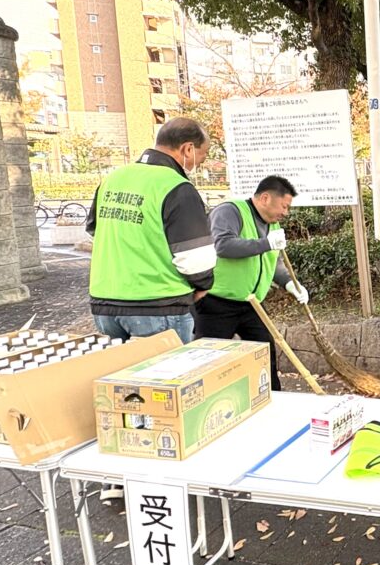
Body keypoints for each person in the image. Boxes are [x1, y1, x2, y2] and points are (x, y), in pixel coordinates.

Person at [86, 117, 217, 346]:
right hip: (158, 306)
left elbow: (94, 229)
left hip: (105, 305)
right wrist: (203, 286)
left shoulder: (113, 179)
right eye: (202, 155)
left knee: (123, 379)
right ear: (188, 148)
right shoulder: (177, 188)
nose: (200, 163)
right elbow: (195, 259)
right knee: (166, 379)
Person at [193, 175, 308, 391]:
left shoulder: (273, 226)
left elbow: (273, 263)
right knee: (209, 360)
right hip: (216, 303)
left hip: (253, 304)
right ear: (265, 198)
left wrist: (290, 284)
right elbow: (223, 246)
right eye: (284, 206)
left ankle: (273, 398)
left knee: (265, 354)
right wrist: (265, 243)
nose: (286, 212)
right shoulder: (230, 211)